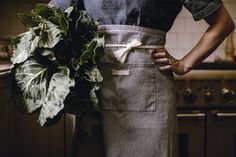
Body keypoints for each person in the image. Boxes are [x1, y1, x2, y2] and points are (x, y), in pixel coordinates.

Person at [49, 0, 235, 157]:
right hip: (92, 89)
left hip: (149, 87)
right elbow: (51, 19)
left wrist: (185, 64)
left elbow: (223, 22)